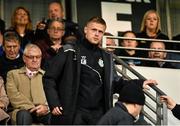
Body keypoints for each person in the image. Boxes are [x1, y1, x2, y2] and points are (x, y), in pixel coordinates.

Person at [43, 16, 157, 125]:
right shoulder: (69, 51)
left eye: (100, 31)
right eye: (94, 30)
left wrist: (139, 83)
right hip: (74, 113)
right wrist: (54, 102)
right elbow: (49, 78)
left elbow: (116, 83)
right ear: (86, 30)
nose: (97, 34)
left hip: (99, 115)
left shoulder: (106, 57)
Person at [6, 44, 51, 125]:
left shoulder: (47, 76)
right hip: (21, 110)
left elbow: (53, 96)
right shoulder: (13, 74)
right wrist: (33, 108)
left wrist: (46, 108)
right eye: (31, 57)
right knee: (23, 115)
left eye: (38, 57)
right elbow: (13, 96)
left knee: (56, 117)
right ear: (24, 58)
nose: (35, 60)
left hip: (43, 111)